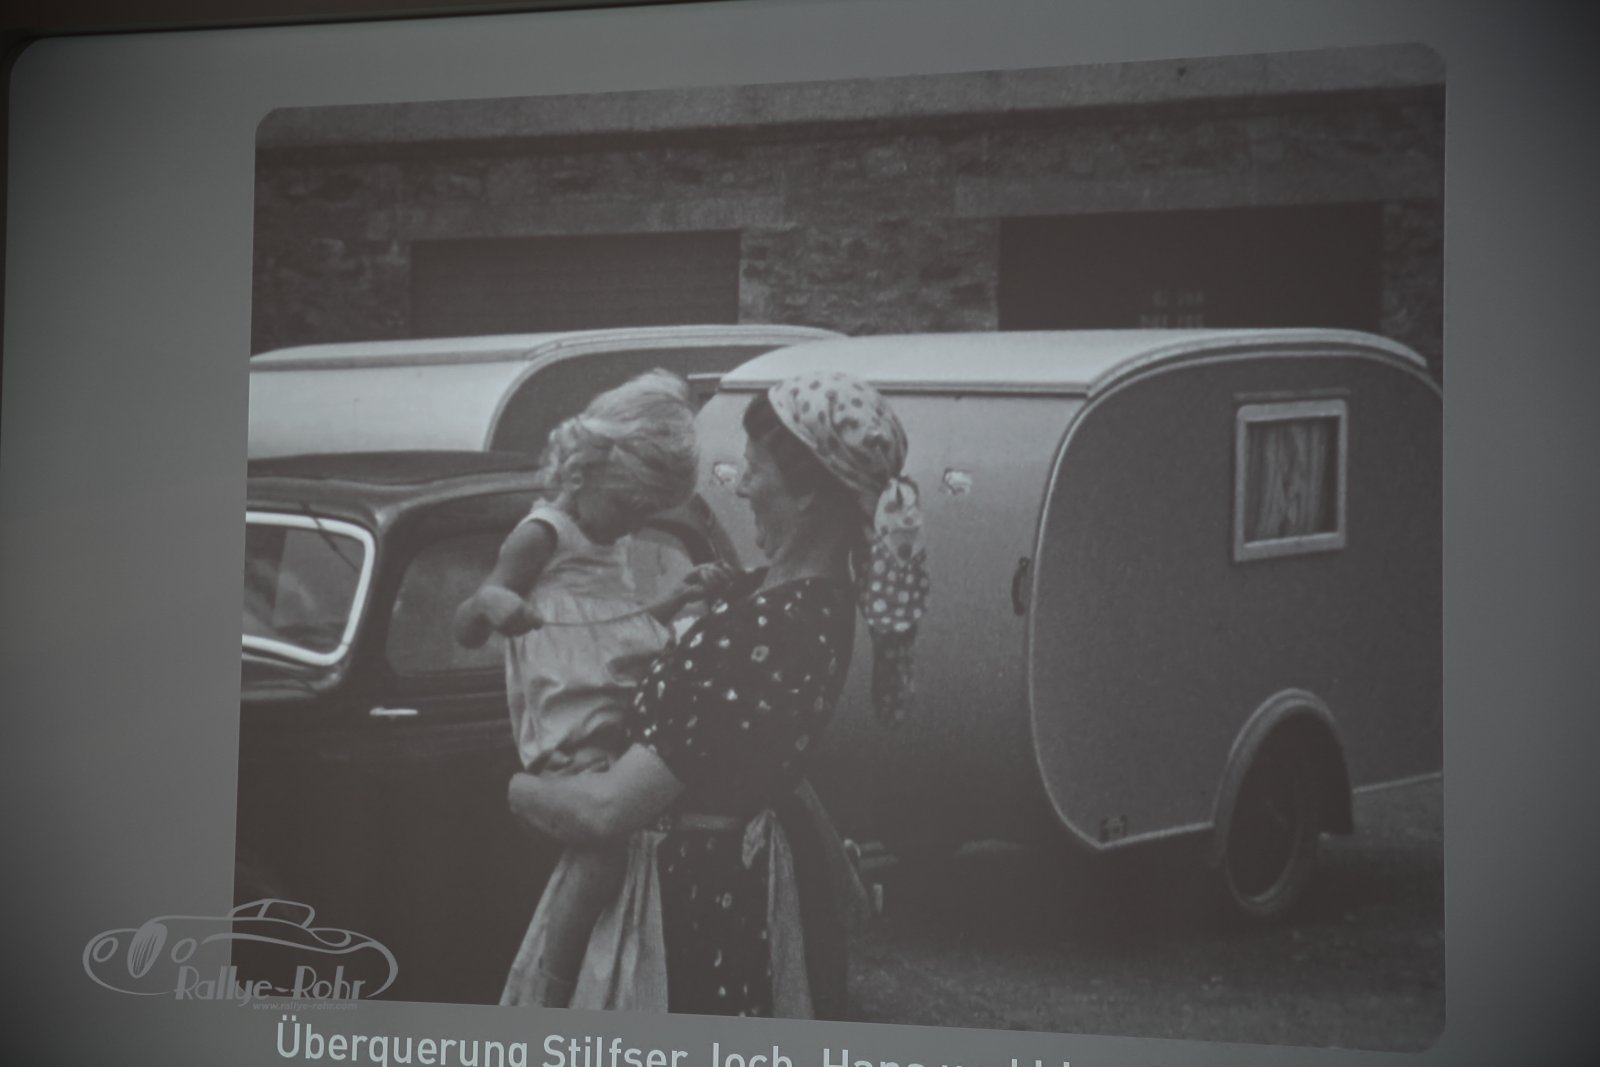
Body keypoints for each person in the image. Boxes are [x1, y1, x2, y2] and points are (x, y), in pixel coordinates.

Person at [500, 370, 930, 1017]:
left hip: (686, 916)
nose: (741, 485)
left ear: (807, 491)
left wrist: (518, 790)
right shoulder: (785, 599)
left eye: (753, 469)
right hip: (708, 894)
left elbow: (607, 813)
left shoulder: (776, 627)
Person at [454, 368, 730, 1009]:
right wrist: (494, 603)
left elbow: (611, 627)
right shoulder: (541, 533)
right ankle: (552, 983)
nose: (632, 522)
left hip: (615, 704)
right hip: (569, 718)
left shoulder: (611, 536)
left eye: (644, 514)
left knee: (642, 826)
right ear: (592, 469)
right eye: (629, 507)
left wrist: (676, 599)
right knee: (603, 850)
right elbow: (465, 622)